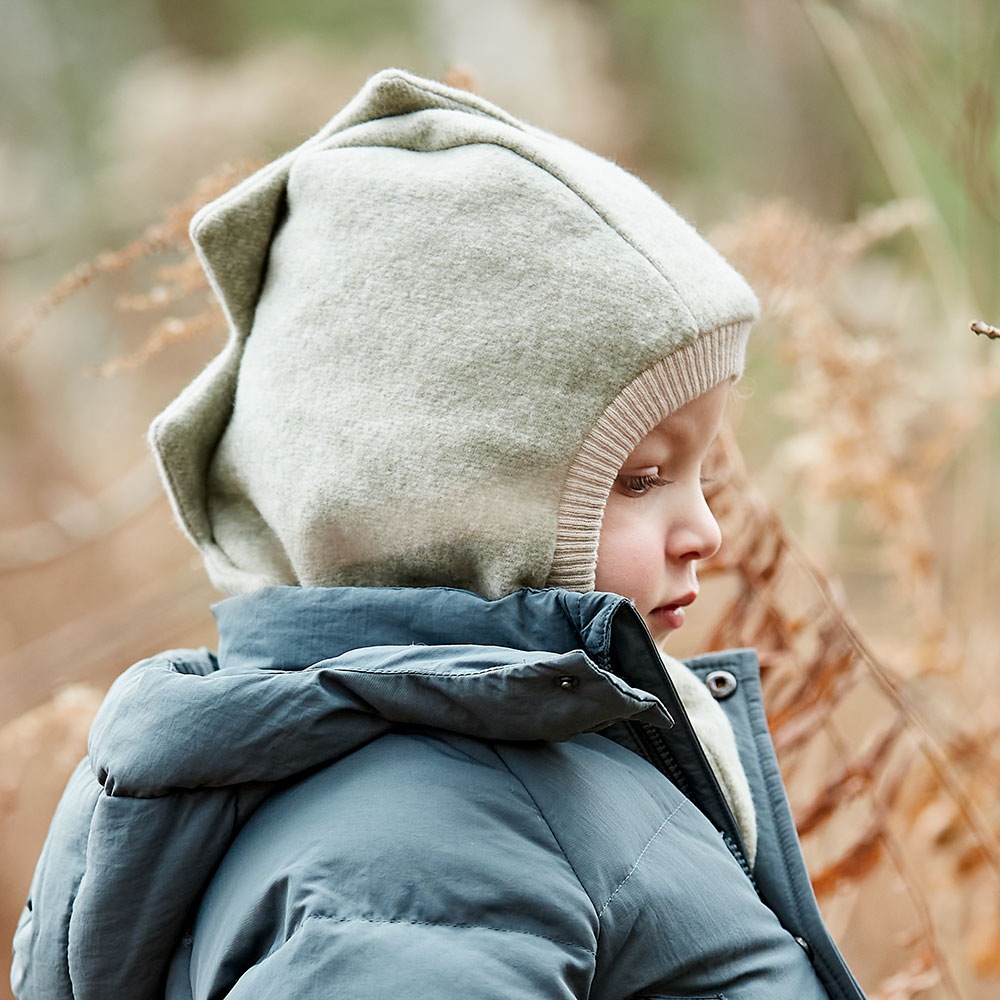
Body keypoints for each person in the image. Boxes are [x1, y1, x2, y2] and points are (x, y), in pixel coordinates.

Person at [11, 69, 866, 999]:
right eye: (641, 478)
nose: (704, 528)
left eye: (705, 471)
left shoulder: (524, 770)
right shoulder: (429, 850)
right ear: (444, 500)